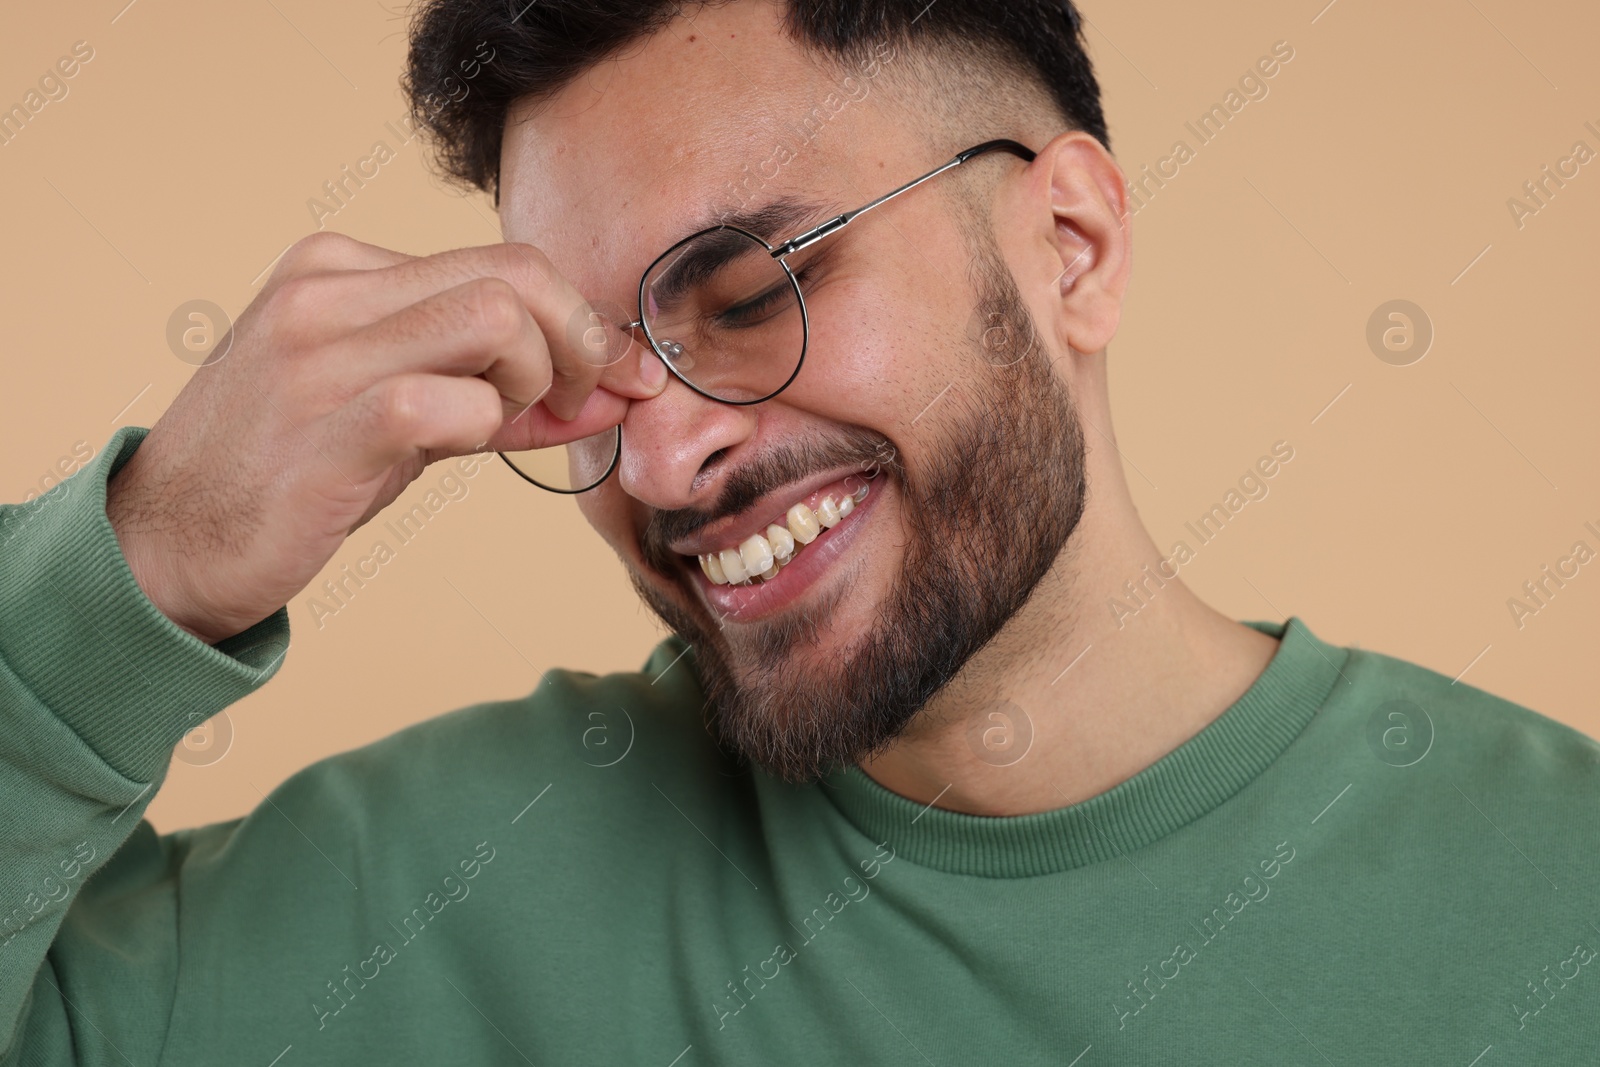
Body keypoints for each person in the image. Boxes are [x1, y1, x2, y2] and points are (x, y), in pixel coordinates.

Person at [2, 1, 1595, 1063]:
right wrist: (141, 566)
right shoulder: (432, 885)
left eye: (754, 295)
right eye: (593, 364)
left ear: (1074, 245)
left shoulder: (1553, 895)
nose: (669, 451)